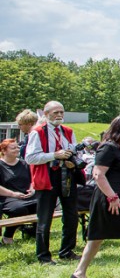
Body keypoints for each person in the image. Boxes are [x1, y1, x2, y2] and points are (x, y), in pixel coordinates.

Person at [70, 115, 120, 278]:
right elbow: (98, 174)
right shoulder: (108, 148)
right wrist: (112, 197)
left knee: (97, 237)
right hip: (109, 199)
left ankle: (79, 272)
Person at [25, 100, 81, 264]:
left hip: (66, 174)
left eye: (61, 112)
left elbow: (74, 150)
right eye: (55, 112)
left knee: (71, 215)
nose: (59, 115)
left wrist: (72, 160)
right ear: (46, 114)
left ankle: (67, 251)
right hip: (47, 176)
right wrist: (54, 155)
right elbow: (30, 158)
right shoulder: (37, 132)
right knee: (45, 217)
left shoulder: (67, 131)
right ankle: (43, 256)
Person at [0, 139, 39, 244]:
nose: (17, 149)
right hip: (7, 197)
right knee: (20, 209)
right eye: (13, 148)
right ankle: (7, 236)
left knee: (41, 205)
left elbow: (33, 180)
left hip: (27, 196)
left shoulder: (24, 163)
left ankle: (36, 233)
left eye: (18, 147)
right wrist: (13, 194)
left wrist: (32, 189)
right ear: (4, 151)